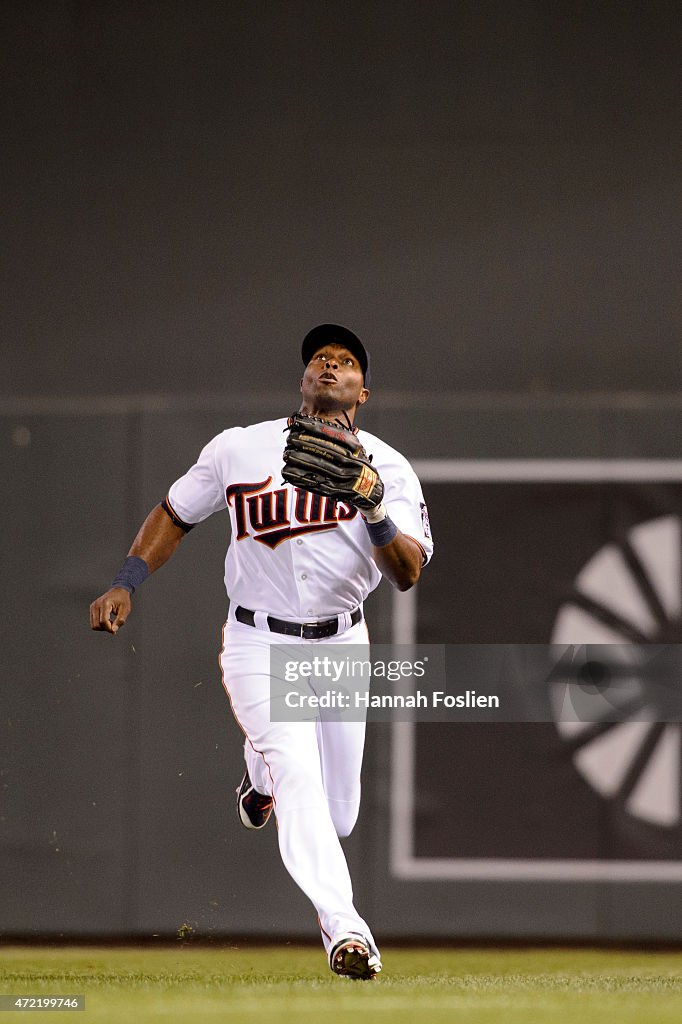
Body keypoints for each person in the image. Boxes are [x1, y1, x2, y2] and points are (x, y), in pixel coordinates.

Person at [90, 324, 433, 980]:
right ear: (305, 380)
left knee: (341, 812)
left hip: (341, 645)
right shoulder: (240, 449)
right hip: (258, 640)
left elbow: (409, 571)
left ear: (363, 390)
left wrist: (374, 509)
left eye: (346, 362)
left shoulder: (387, 466)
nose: (330, 365)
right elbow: (175, 513)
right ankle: (347, 932)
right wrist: (126, 581)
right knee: (299, 782)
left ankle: (257, 772)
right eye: (319, 359)